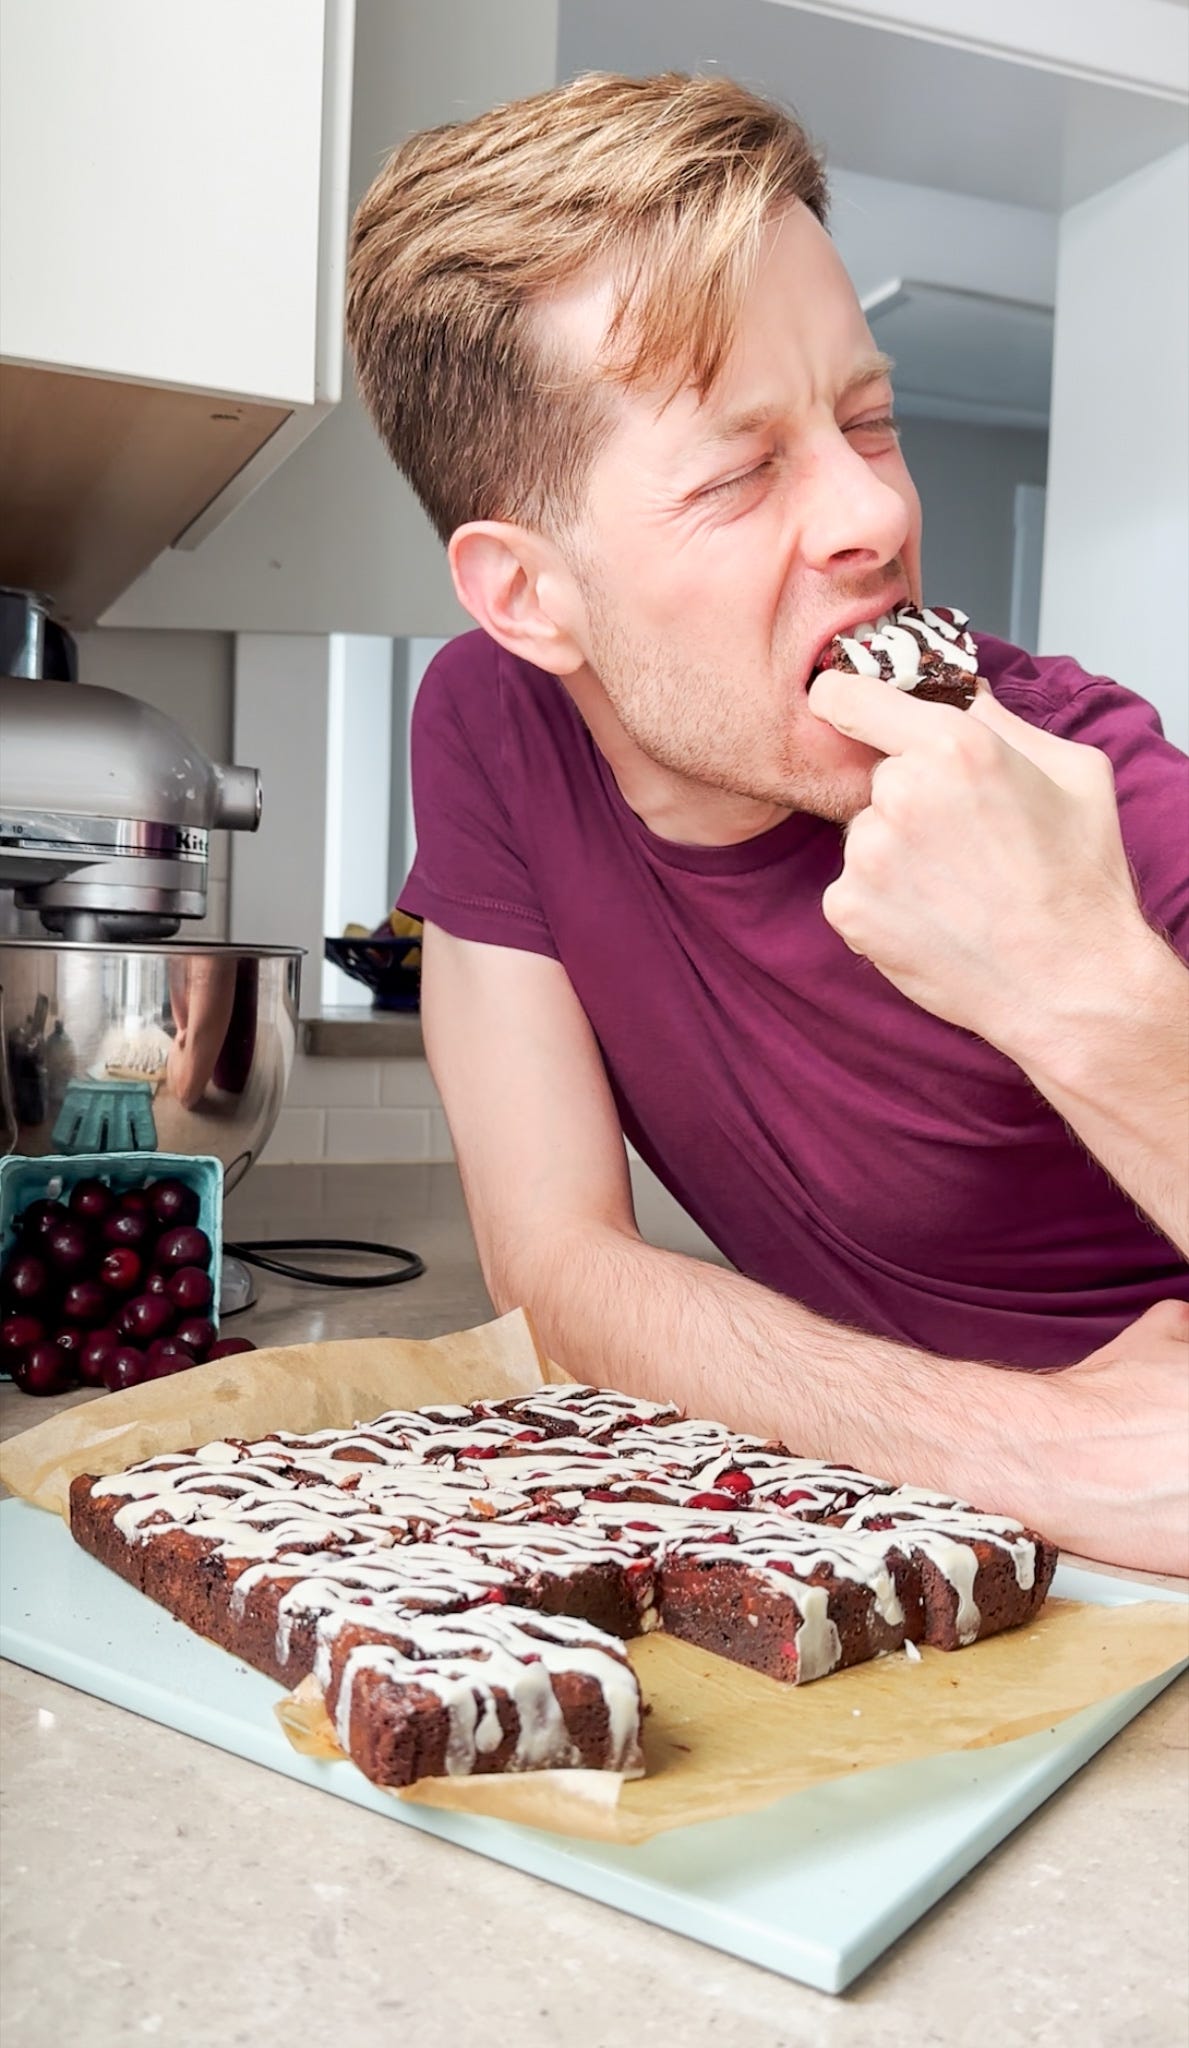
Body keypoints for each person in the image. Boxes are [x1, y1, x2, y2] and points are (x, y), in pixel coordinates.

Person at [345, 72, 1189, 1572]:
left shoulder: (1101, 795)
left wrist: (1085, 988)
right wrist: (1016, 1453)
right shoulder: (490, 726)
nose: (872, 516)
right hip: (958, 1542)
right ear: (529, 597)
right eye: (739, 473)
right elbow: (553, 1261)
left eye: (869, 417)